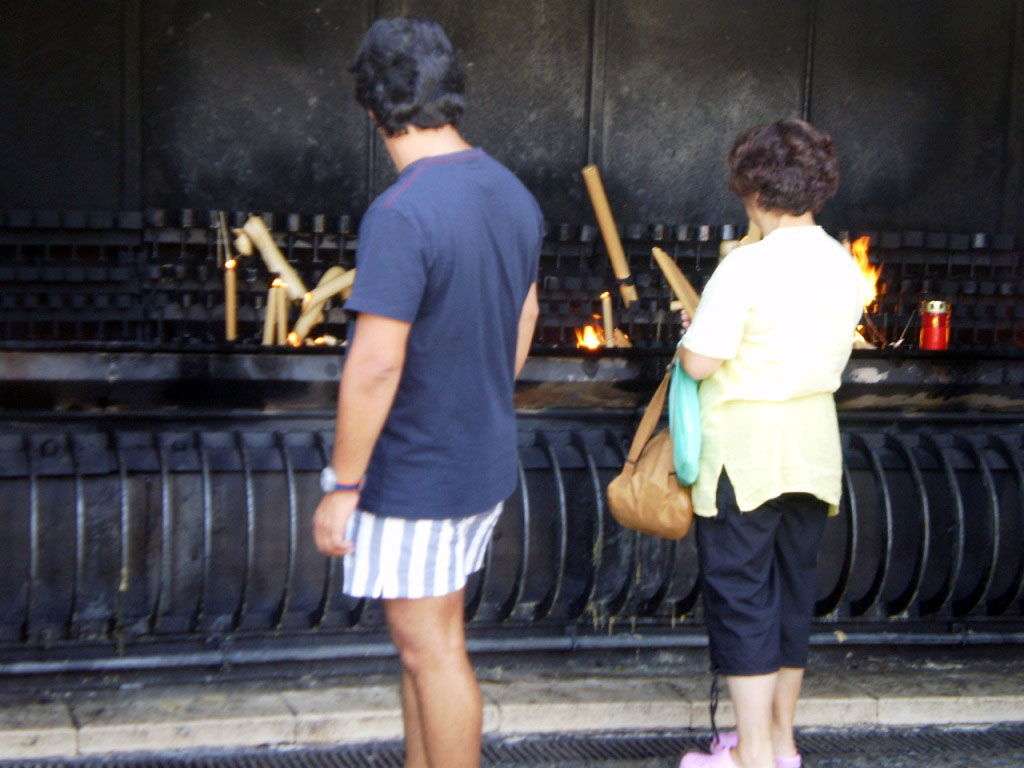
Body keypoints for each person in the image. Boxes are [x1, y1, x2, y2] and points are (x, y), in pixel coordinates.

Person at [312, 17, 542, 768]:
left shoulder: (401, 212)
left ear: (373, 110)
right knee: (428, 647)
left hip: (417, 473)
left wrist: (344, 483)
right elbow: (528, 311)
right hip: (478, 459)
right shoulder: (510, 192)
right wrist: (479, 395)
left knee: (434, 651)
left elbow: (376, 364)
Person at [676, 119, 866, 768]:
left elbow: (700, 363)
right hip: (813, 451)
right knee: (790, 594)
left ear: (753, 190)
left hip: (744, 456)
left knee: (741, 598)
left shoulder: (746, 266)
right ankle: (781, 743)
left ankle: (749, 755)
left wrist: (690, 331)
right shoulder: (845, 266)